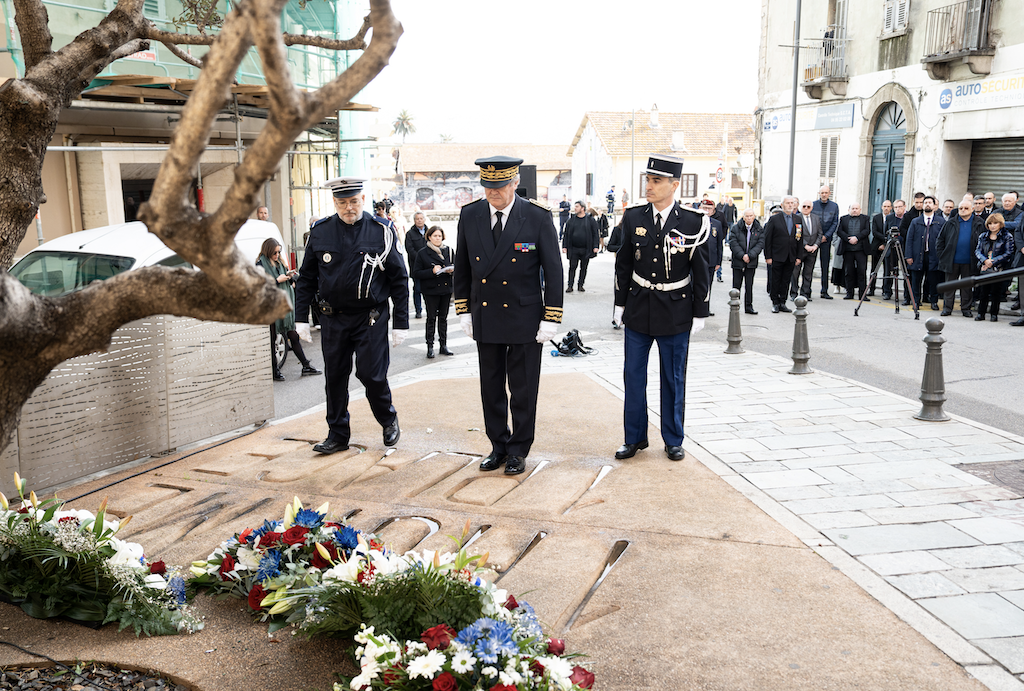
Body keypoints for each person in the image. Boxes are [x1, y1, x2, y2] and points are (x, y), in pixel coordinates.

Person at [454, 156, 563, 476]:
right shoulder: (470, 214)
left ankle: (518, 449)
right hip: (486, 313)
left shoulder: (536, 216)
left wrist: (551, 316)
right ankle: (498, 445)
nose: (493, 193)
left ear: (514, 183)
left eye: (499, 187)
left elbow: (553, 269)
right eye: (487, 187)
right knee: (491, 386)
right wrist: (464, 310)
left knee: (523, 387)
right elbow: (462, 267)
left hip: (525, 316)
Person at [294, 178, 409, 455]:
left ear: (363, 199)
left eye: (354, 201)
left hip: (369, 316)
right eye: (342, 203)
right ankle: (337, 434)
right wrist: (300, 318)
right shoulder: (320, 232)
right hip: (333, 318)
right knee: (334, 377)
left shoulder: (381, 230)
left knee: (371, 375)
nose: (349, 208)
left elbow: (399, 279)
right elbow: (307, 277)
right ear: (334, 203)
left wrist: (401, 323)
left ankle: (387, 418)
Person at [612, 154, 709, 462]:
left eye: (656, 181)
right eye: (648, 180)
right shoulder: (634, 217)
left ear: (674, 185)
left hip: (676, 310)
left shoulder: (694, 222)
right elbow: (623, 263)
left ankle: (672, 438)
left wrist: (700, 311)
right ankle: (634, 437)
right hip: (639, 308)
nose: (649, 186)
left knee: (673, 377)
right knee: (633, 375)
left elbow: (702, 270)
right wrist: (619, 304)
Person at [257, 239, 322, 381]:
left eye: (279, 251)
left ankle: (306, 365)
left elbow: (287, 281)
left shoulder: (280, 264)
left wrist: (289, 277)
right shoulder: (260, 265)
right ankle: (274, 371)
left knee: (293, 335)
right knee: (272, 339)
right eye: (274, 252)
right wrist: (276, 281)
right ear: (267, 251)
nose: (277, 254)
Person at [412, 225, 455, 359]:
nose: (438, 238)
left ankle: (443, 345)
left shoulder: (449, 250)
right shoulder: (423, 253)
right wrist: (432, 271)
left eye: (440, 236)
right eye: (435, 236)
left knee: (443, 318)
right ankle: (430, 346)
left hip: (446, 288)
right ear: (429, 237)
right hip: (431, 290)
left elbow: (458, 266)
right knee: (431, 318)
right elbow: (416, 273)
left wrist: (451, 270)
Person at [935, 199, 983, 318]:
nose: (963, 210)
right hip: (952, 261)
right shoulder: (951, 222)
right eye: (961, 208)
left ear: (972, 209)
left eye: (966, 208)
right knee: (950, 285)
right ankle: (947, 308)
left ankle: (966, 309)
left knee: (967, 287)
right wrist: (943, 255)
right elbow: (940, 240)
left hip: (970, 261)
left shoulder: (980, 223)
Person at [763, 195, 801, 312]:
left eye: (792, 203)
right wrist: (768, 256)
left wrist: (799, 256)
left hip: (791, 256)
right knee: (775, 279)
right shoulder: (775, 219)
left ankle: (783, 302)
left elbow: (800, 238)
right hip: (777, 255)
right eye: (788, 203)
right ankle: (775, 302)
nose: (790, 205)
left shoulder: (797, 219)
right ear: (783, 205)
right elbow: (767, 239)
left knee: (786, 280)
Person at [974, 213, 1014, 322]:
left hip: (999, 269)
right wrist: (985, 261)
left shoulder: (1007, 236)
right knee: (983, 292)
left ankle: (994, 314)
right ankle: (981, 314)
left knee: (996, 293)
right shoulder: (983, 236)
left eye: (995, 223)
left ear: (1000, 224)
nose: (993, 226)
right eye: (990, 223)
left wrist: (994, 262)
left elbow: (1008, 253)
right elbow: (978, 251)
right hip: (984, 268)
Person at [904, 196, 942, 309]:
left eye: (930, 202)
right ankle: (916, 301)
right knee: (916, 280)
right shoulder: (915, 221)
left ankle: (934, 302)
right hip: (917, 256)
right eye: (926, 202)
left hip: (933, 256)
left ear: (935, 206)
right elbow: (909, 239)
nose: (927, 204)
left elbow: (944, 240)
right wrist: (908, 256)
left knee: (933, 280)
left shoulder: (941, 221)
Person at [727, 208, 764, 314]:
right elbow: (733, 242)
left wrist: (750, 255)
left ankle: (749, 306)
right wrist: (742, 255)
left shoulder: (758, 229)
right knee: (736, 285)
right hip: (738, 261)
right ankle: (735, 305)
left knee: (749, 285)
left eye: (751, 216)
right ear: (743, 217)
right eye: (746, 216)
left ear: (754, 216)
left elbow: (760, 244)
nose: (749, 218)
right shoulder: (736, 228)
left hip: (751, 262)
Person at [562, 201, 599, 292]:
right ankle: (570, 285)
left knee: (584, 267)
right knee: (572, 267)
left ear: (582, 208)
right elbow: (566, 234)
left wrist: (595, 246)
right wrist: (564, 246)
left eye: (577, 206)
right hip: (574, 248)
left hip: (586, 248)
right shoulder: (571, 220)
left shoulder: (590, 220)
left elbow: (595, 234)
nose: (575, 208)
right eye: (575, 206)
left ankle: (580, 285)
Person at [837, 202, 870, 300]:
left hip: (861, 250)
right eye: (853, 208)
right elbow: (839, 231)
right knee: (848, 272)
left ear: (860, 210)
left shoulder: (866, 218)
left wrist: (857, 238)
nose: (854, 210)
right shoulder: (843, 219)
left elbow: (867, 231)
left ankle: (862, 294)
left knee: (862, 272)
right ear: (849, 210)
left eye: (856, 208)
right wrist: (848, 238)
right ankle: (849, 293)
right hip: (848, 249)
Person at [790, 199, 822, 301]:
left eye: (808, 207)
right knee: (795, 272)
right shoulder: (796, 218)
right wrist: (805, 245)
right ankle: (794, 293)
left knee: (808, 273)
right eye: (804, 206)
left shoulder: (816, 218)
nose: (806, 208)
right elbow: (797, 234)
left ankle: (805, 293)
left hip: (812, 250)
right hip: (799, 250)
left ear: (811, 208)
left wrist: (815, 245)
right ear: (800, 207)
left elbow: (820, 233)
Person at [812, 185, 840, 299]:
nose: (824, 194)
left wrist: (826, 236)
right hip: (813, 239)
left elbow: (835, 222)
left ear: (829, 193)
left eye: (826, 192)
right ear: (819, 193)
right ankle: (806, 290)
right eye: (822, 192)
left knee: (825, 265)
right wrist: (818, 236)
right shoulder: (813, 205)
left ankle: (824, 291)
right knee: (810, 264)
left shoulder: (834, 206)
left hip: (826, 240)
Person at [700, 199, 723, 314]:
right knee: (696, 284)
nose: (706, 211)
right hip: (697, 260)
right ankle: (695, 307)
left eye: (709, 209)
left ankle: (706, 308)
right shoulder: (695, 222)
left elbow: (719, 245)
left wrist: (718, 261)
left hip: (711, 260)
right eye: (704, 208)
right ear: (700, 208)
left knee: (708, 285)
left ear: (713, 210)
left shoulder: (716, 224)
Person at [405, 212, 429, 319]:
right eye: (417, 219)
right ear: (414, 220)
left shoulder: (429, 232)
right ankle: (418, 310)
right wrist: (421, 259)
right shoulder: (410, 234)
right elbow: (410, 250)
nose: (419, 220)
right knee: (418, 289)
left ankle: (430, 308)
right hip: (416, 266)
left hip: (429, 266)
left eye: (421, 218)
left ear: (424, 219)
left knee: (429, 289)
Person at [882, 199, 907, 300]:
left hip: (904, 248)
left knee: (905, 271)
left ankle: (907, 295)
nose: (898, 209)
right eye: (896, 207)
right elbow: (885, 232)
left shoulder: (908, 217)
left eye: (900, 207)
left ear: (904, 207)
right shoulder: (889, 217)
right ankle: (887, 292)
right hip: (891, 249)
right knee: (889, 271)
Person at [868, 200, 892, 296]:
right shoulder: (876, 217)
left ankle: (886, 290)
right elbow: (874, 232)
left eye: (888, 206)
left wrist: (886, 243)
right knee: (874, 269)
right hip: (876, 246)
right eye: (884, 206)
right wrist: (883, 241)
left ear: (891, 208)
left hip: (889, 246)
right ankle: (871, 289)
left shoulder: (892, 218)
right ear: (882, 207)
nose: (886, 208)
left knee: (888, 269)